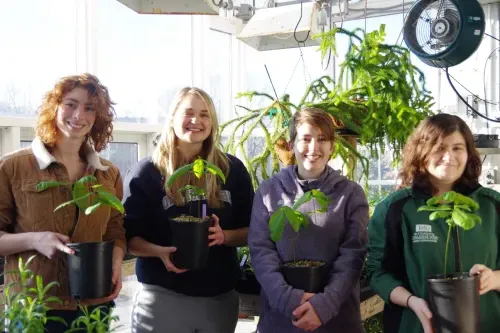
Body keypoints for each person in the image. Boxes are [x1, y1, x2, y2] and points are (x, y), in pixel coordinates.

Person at [0, 73, 126, 331]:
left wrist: (115, 260)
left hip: (93, 304)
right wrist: (34, 240)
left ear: (98, 117)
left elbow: (115, 230)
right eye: (70, 104)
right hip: (34, 308)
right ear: (54, 107)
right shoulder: (13, 167)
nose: (79, 115)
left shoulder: (107, 173)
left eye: (89, 108)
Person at [123, 87, 254, 333]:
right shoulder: (147, 173)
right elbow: (130, 240)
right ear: (172, 118)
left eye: (204, 115)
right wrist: (159, 252)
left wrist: (224, 236)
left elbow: (252, 230)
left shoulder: (232, 170)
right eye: (188, 113)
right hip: (162, 298)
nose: (196, 121)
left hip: (219, 300)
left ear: (213, 122)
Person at [366, 113, 500, 333]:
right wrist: (412, 302)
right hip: (418, 326)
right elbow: (376, 272)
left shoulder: (492, 206)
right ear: (421, 152)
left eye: (457, 148)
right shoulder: (396, 209)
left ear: (468, 154)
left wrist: (492, 279)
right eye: (439, 147)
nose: (449, 157)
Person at [248, 107, 369, 332]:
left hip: (337, 320)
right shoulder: (269, 191)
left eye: (322, 139)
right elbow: (261, 251)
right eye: (305, 139)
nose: (313, 147)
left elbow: (353, 257)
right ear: (292, 145)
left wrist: (323, 306)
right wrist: (289, 300)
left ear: (332, 147)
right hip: (282, 320)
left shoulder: (351, 194)